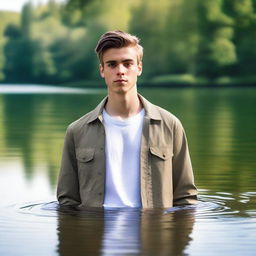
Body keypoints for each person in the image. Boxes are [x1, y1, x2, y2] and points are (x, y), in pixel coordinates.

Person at [57, 30, 197, 208]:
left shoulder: (170, 125)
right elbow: (67, 201)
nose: (120, 71)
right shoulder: (77, 131)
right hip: (93, 233)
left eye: (127, 63)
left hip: (155, 233)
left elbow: (186, 198)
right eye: (112, 64)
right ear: (102, 70)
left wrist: (173, 234)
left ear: (139, 68)